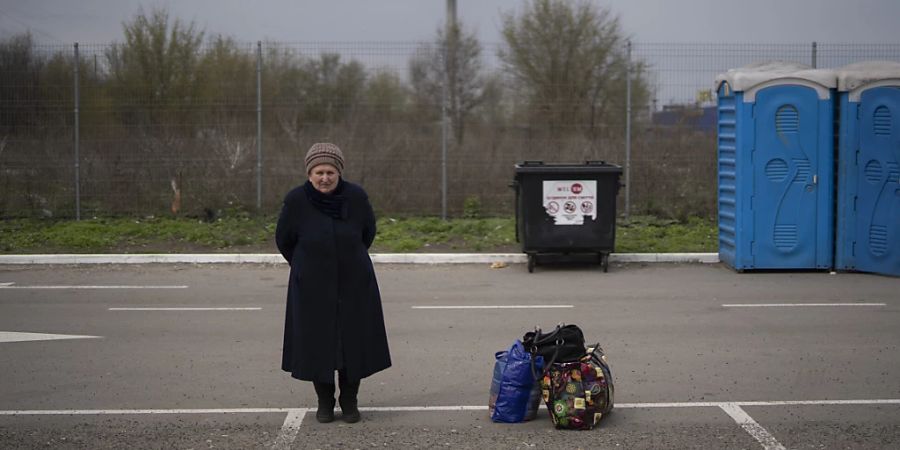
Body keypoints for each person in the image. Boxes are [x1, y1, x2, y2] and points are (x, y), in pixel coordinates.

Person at [276, 142, 391, 424]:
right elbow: (284, 240)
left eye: (330, 172)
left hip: (354, 284)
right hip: (312, 286)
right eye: (318, 172)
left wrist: (347, 260)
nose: (324, 178)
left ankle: (349, 401)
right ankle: (324, 402)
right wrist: (306, 265)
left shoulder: (356, 197)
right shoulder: (296, 201)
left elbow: (367, 233)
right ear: (309, 173)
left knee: (353, 343)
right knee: (318, 345)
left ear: (338, 172)